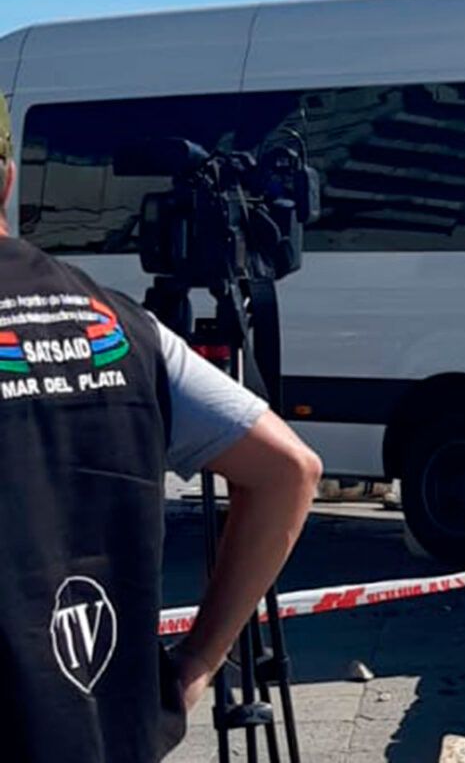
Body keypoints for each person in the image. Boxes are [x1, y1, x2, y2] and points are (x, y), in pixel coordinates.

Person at [0, 91, 323, 761]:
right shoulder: (124, 324)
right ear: (6, 179)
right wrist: (201, 661)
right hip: (111, 723)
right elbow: (291, 471)